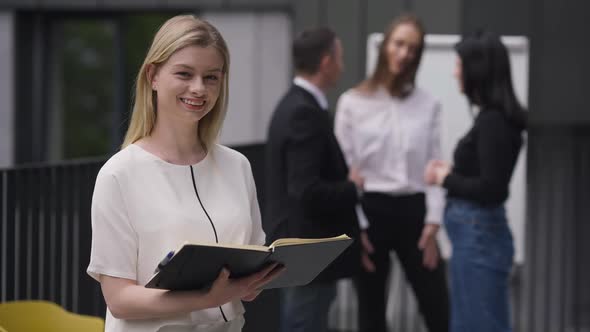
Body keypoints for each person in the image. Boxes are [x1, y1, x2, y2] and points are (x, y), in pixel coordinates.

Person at [86, 15, 284, 332]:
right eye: (184, 73)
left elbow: (248, 270)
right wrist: (205, 297)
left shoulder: (237, 166)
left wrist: (254, 282)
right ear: (153, 75)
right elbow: (119, 299)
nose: (198, 88)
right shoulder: (119, 174)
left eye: (211, 77)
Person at [334, 14, 449, 332]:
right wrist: (359, 227)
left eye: (413, 49)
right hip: (372, 211)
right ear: (385, 47)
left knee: (438, 306)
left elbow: (436, 166)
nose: (405, 54)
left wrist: (433, 222)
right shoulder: (352, 103)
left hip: (415, 212)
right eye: (399, 44)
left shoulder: (429, 104)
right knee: (371, 312)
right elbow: (346, 173)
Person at [424, 30, 527, 332]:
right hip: (476, 238)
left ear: (477, 70)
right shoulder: (493, 118)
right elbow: (486, 177)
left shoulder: (494, 121)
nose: (456, 71)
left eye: (460, 64)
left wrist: (445, 178)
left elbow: (492, 190)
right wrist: (455, 172)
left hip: (479, 238)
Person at [265, 27, 362, 332]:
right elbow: (306, 191)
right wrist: (352, 187)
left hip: (304, 254)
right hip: (307, 255)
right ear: (326, 62)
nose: (342, 67)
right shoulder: (303, 112)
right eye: (340, 58)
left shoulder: (295, 104)